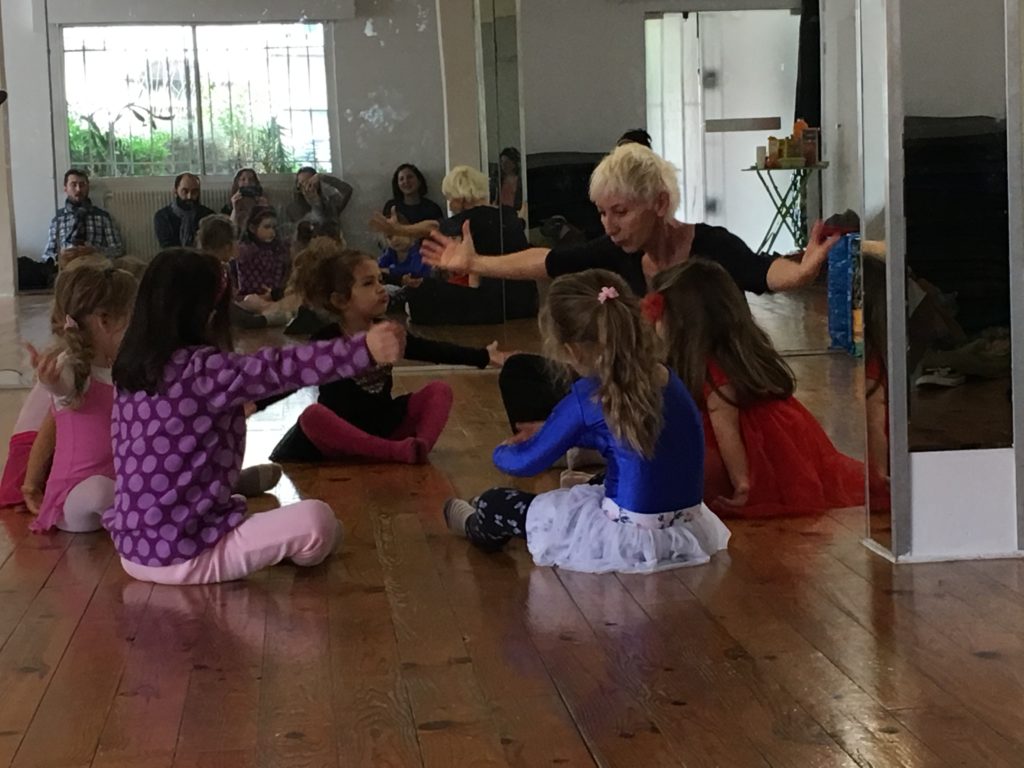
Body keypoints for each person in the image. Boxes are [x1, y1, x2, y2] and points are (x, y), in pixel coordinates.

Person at [421, 143, 840, 430]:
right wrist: (474, 263)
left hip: (704, 394)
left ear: (660, 203)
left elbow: (762, 272)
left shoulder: (712, 245)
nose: (610, 225)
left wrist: (801, 274)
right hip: (644, 385)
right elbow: (545, 261)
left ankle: (583, 443)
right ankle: (570, 440)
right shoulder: (614, 249)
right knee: (521, 372)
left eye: (620, 212)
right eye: (603, 213)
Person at [105, 248, 406, 584]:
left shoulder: (130, 370)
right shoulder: (202, 369)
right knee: (319, 522)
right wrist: (362, 350)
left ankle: (251, 512)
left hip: (132, 550)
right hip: (187, 555)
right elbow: (282, 367)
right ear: (207, 314)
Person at [443, 269, 730, 573]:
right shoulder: (667, 377)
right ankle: (564, 494)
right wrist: (559, 433)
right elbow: (618, 434)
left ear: (571, 351)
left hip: (625, 540)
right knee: (603, 480)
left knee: (496, 503)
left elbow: (525, 463)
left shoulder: (589, 396)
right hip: (686, 527)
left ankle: (476, 521)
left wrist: (502, 451)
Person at [648, 259, 867, 517]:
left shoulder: (714, 372)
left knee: (695, 470)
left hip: (755, 447)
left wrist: (743, 484)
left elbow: (727, 431)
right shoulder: (705, 361)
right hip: (749, 434)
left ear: (683, 323)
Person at [268, 245, 509, 464]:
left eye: (380, 280)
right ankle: (391, 452)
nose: (381, 288)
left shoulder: (387, 331)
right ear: (340, 300)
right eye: (368, 283)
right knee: (312, 417)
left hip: (384, 425)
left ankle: (417, 448)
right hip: (341, 436)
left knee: (439, 391)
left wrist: (484, 356)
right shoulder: (325, 342)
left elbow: (431, 349)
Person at [27, 261, 138, 533]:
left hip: (116, 484)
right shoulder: (74, 368)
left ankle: (131, 512)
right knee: (98, 491)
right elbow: (63, 388)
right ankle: (137, 514)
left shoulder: (120, 368)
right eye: (131, 321)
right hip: (75, 499)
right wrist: (51, 383)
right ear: (105, 321)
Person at [370, 165, 538, 325]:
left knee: (423, 293)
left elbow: (433, 227)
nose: (450, 204)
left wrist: (398, 229)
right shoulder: (506, 214)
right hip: (527, 301)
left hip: (501, 304)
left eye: (450, 198)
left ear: (461, 197)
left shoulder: (473, 218)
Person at [197, 214, 290, 329]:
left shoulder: (214, 266)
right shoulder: (212, 272)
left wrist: (247, 306)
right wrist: (270, 319)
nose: (239, 244)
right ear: (227, 246)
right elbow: (235, 317)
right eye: (236, 240)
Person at [44, 169, 125, 261]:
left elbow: (118, 250)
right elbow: (46, 255)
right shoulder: (58, 219)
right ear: (65, 188)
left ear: (88, 188)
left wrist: (95, 251)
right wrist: (59, 256)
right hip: (67, 265)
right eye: (73, 185)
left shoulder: (102, 217)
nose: (78, 189)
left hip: (94, 264)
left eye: (82, 185)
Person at [235, 207, 290, 301]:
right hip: (250, 299)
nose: (272, 232)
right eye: (267, 227)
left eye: (274, 227)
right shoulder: (244, 251)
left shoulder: (280, 250)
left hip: (276, 297)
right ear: (252, 228)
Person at [153, 173, 216, 248]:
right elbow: (168, 247)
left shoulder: (208, 216)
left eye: (194, 192)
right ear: (175, 191)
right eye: (185, 191)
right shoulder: (163, 216)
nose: (189, 196)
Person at [284, 167, 351, 233]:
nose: (306, 186)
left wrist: (322, 177)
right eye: (302, 183)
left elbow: (347, 190)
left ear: (318, 183)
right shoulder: (293, 208)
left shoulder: (330, 203)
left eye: (309, 182)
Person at [222, 168, 270, 234]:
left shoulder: (261, 203)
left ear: (256, 184)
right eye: (243, 179)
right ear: (237, 183)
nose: (247, 183)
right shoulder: (228, 207)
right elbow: (228, 231)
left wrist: (264, 209)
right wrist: (234, 210)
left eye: (251, 179)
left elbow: (269, 229)